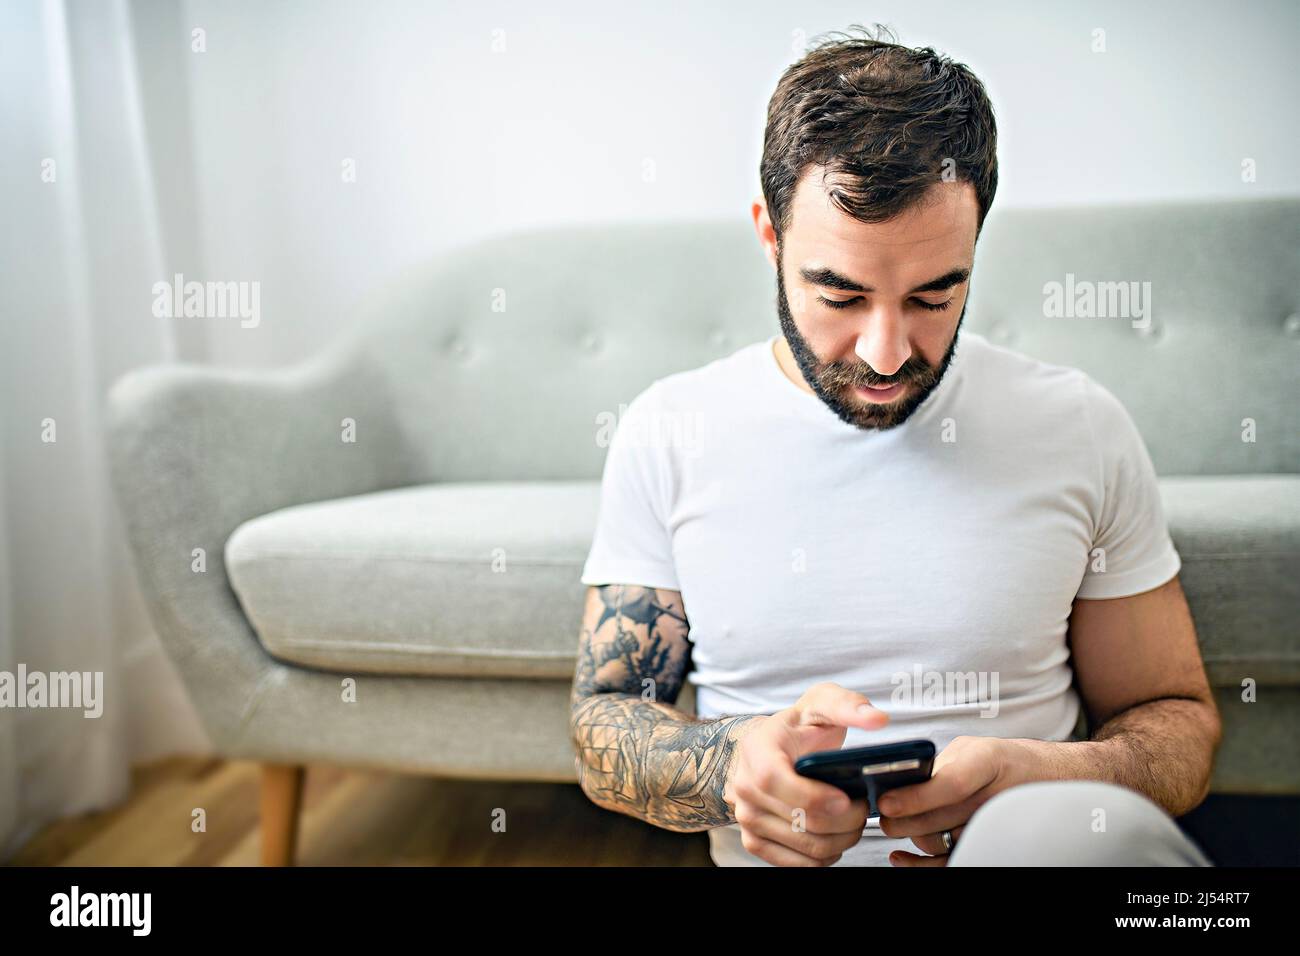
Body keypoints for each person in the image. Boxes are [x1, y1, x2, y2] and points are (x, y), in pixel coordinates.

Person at [569, 25, 1220, 867]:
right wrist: (732, 766)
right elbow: (604, 723)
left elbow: (1176, 721)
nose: (886, 353)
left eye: (934, 296)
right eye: (840, 295)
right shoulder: (672, 429)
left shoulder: (1078, 426)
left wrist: (1051, 780)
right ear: (770, 235)